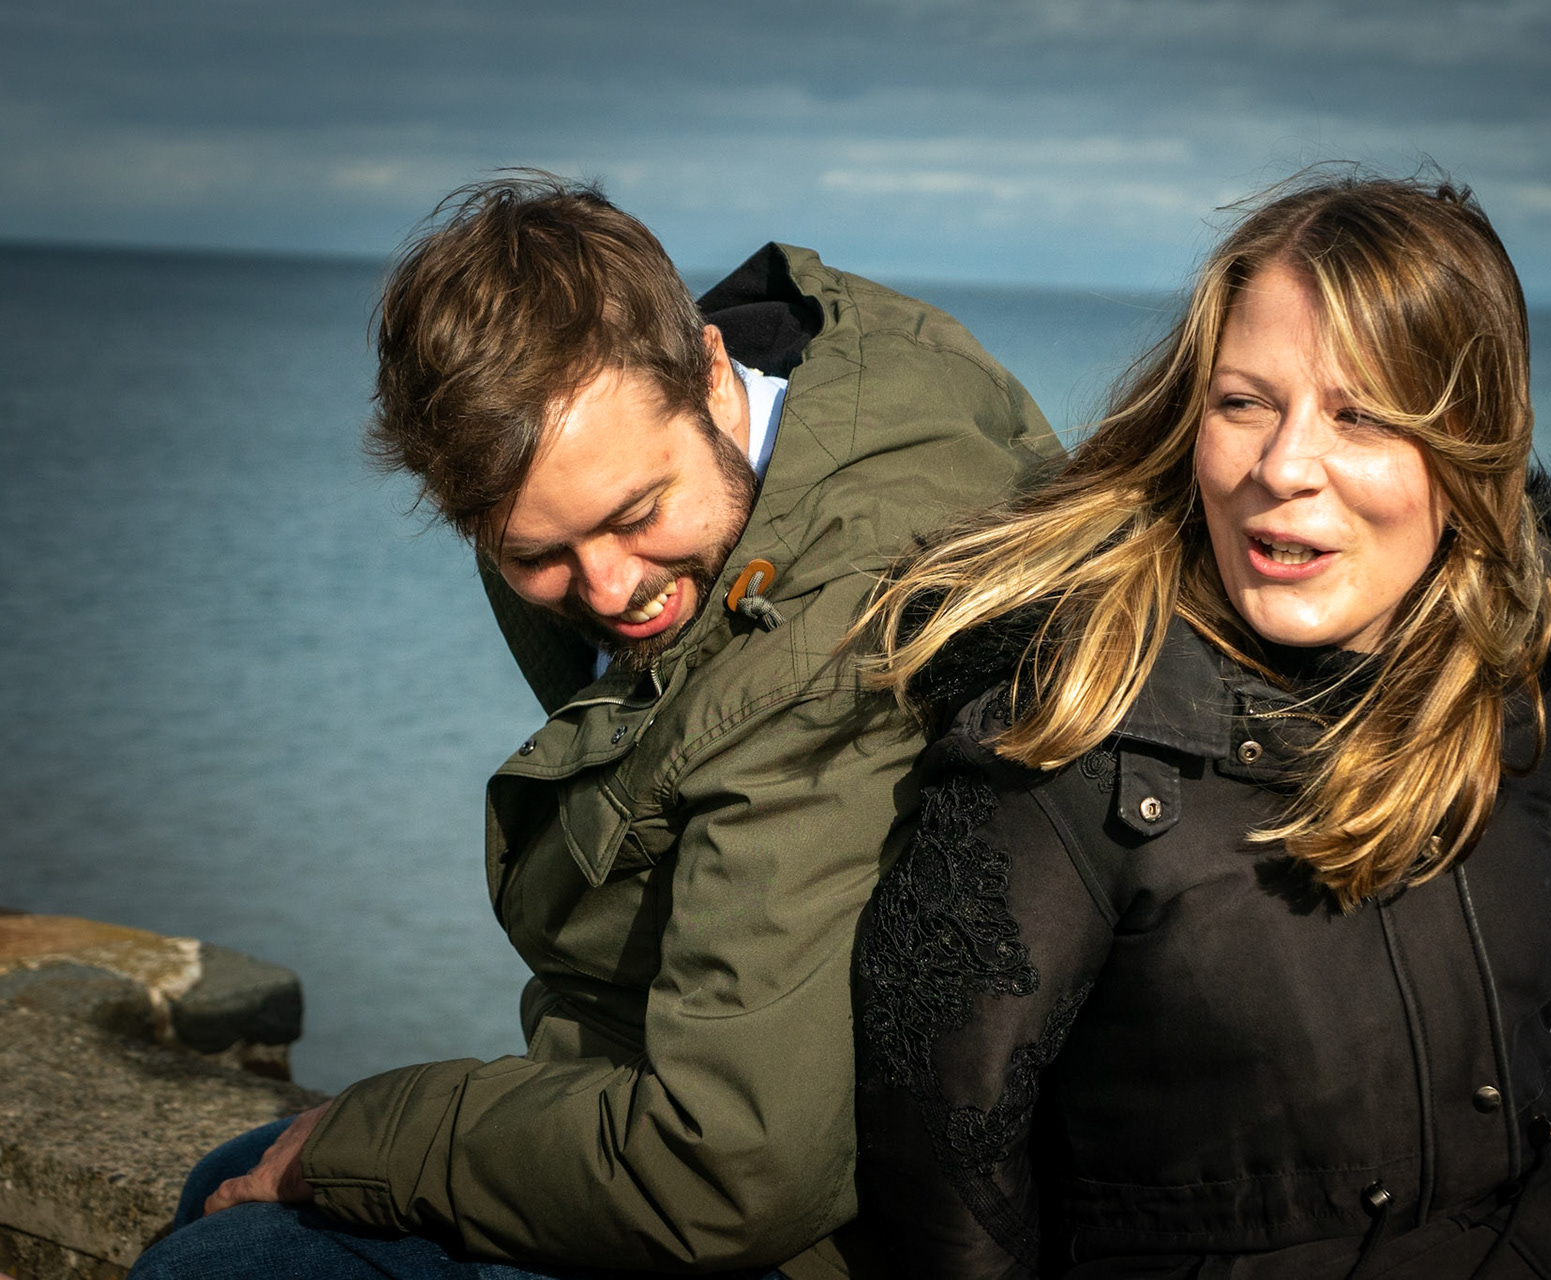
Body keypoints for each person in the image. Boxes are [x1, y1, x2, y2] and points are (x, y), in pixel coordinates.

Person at [850, 172, 1551, 1278]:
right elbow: (941, 1166)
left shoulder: (1521, 656)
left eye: (1358, 414)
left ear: (1467, 451)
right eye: (1242, 402)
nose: (1281, 467)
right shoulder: (1070, 716)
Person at [129, 174, 1059, 1280]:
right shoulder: (830, 352)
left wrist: (372, 1130)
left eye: (635, 513)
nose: (612, 588)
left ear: (709, 372)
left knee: (223, 1261)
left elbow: (736, 1165)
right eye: (536, 553)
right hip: (736, 1089)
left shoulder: (815, 662)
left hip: (839, 1212)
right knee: (223, 1182)